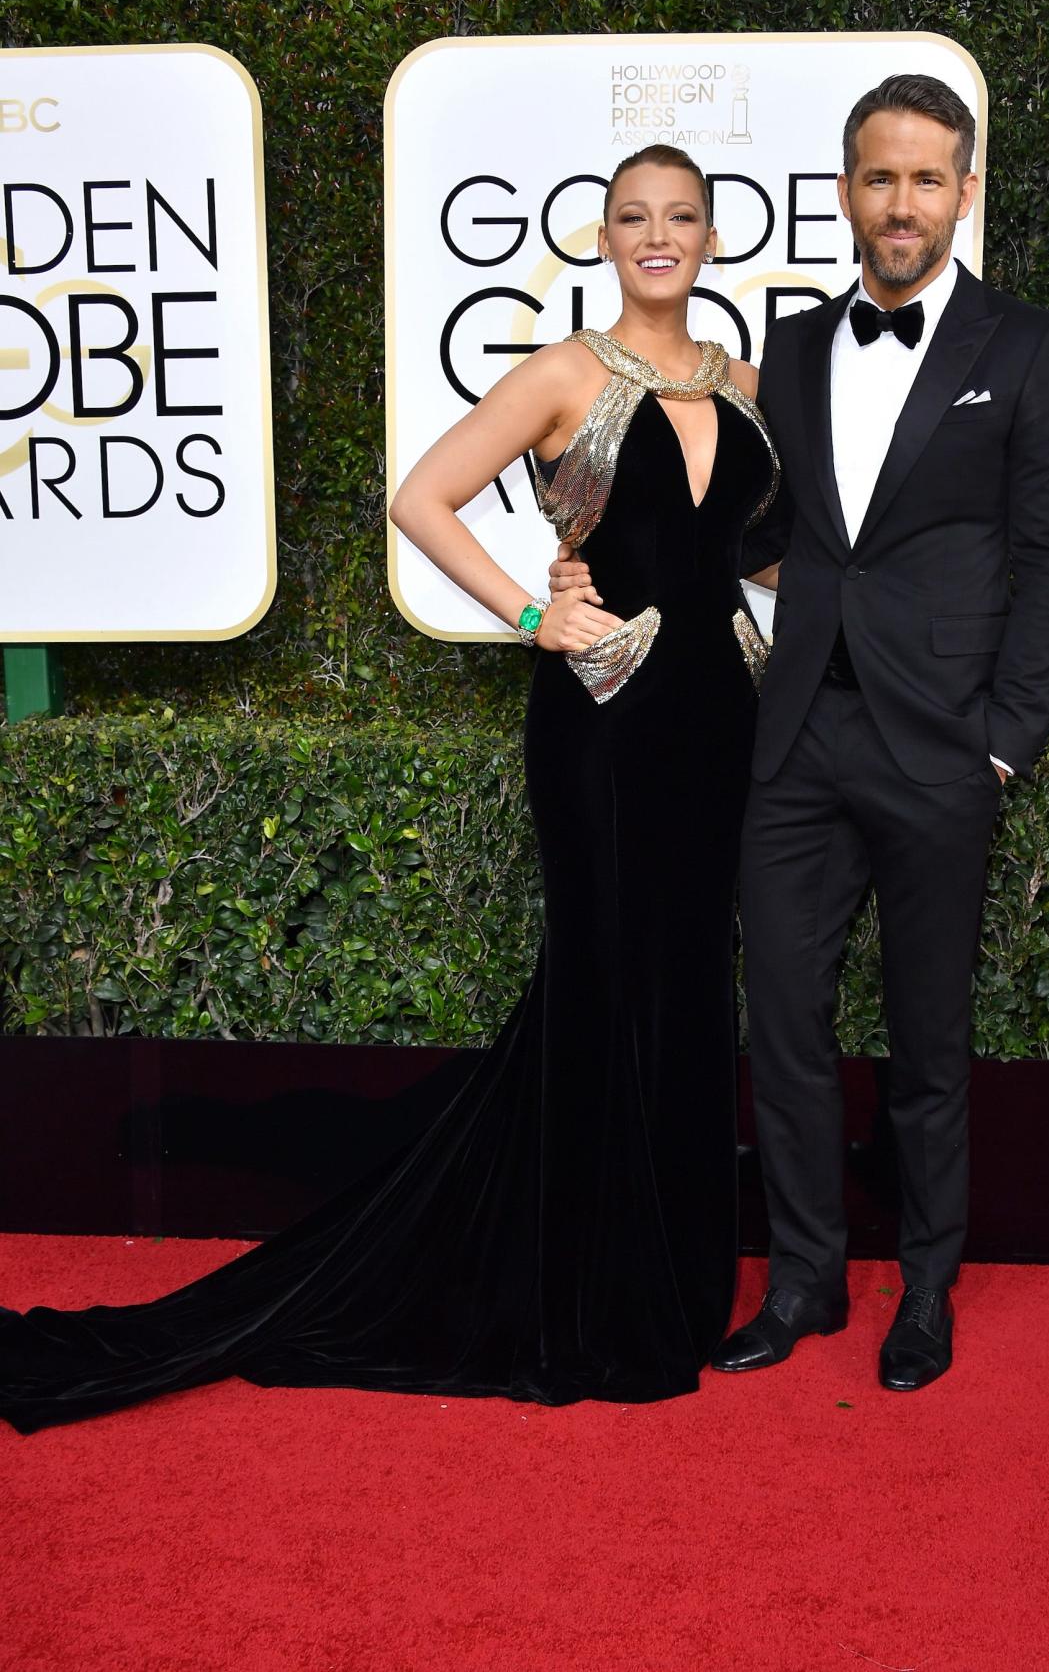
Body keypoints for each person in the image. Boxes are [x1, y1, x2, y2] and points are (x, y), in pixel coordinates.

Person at [0, 145, 779, 1434]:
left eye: (680, 218)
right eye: (633, 218)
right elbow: (420, 496)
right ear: (601, 234)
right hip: (600, 717)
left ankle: (681, 1285)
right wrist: (536, 611)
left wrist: (762, 617)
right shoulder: (564, 372)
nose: (657, 237)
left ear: (711, 234)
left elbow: (773, 537)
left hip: (719, 723)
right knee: (602, 981)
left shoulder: (749, 387)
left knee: (695, 986)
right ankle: (591, 1292)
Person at [557, 74, 1049, 1393]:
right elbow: (734, 526)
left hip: (938, 749)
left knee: (925, 1040)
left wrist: (1002, 740)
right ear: (844, 191)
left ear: (962, 193)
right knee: (782, 1027)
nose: (899, 202)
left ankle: (923, 1288)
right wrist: (574, 570)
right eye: (877, 177)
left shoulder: (1028, 347)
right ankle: (802, 1280)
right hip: (790, 738)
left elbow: (1045, 556)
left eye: (925, 178)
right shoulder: (788, 351)